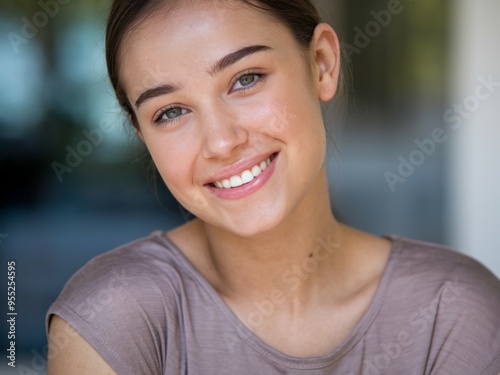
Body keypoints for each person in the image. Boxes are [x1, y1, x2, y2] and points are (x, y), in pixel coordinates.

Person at [46, 0, 500, 374]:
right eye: (170, 112)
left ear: (321, 63)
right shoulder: (111, 318)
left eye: (246, 79)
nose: (222, 142)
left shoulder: (454, 311)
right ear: (143, 134)